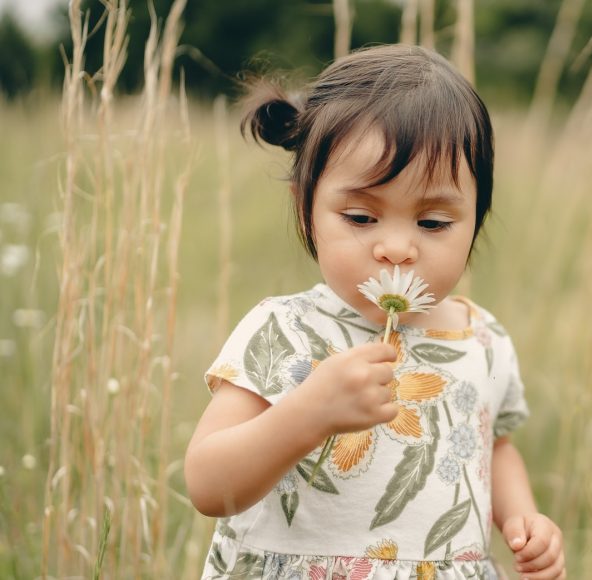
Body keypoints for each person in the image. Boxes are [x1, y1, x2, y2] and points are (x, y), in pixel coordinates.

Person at [184, 44, 566, 580]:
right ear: (306, 205)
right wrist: (307, 413)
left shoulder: (484, 339)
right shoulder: (285, 330)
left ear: (476, 218)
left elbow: (494, 447)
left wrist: (523, 519)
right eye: (361, 216)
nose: (397, 248)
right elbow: (208, 485)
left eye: (433, 224)